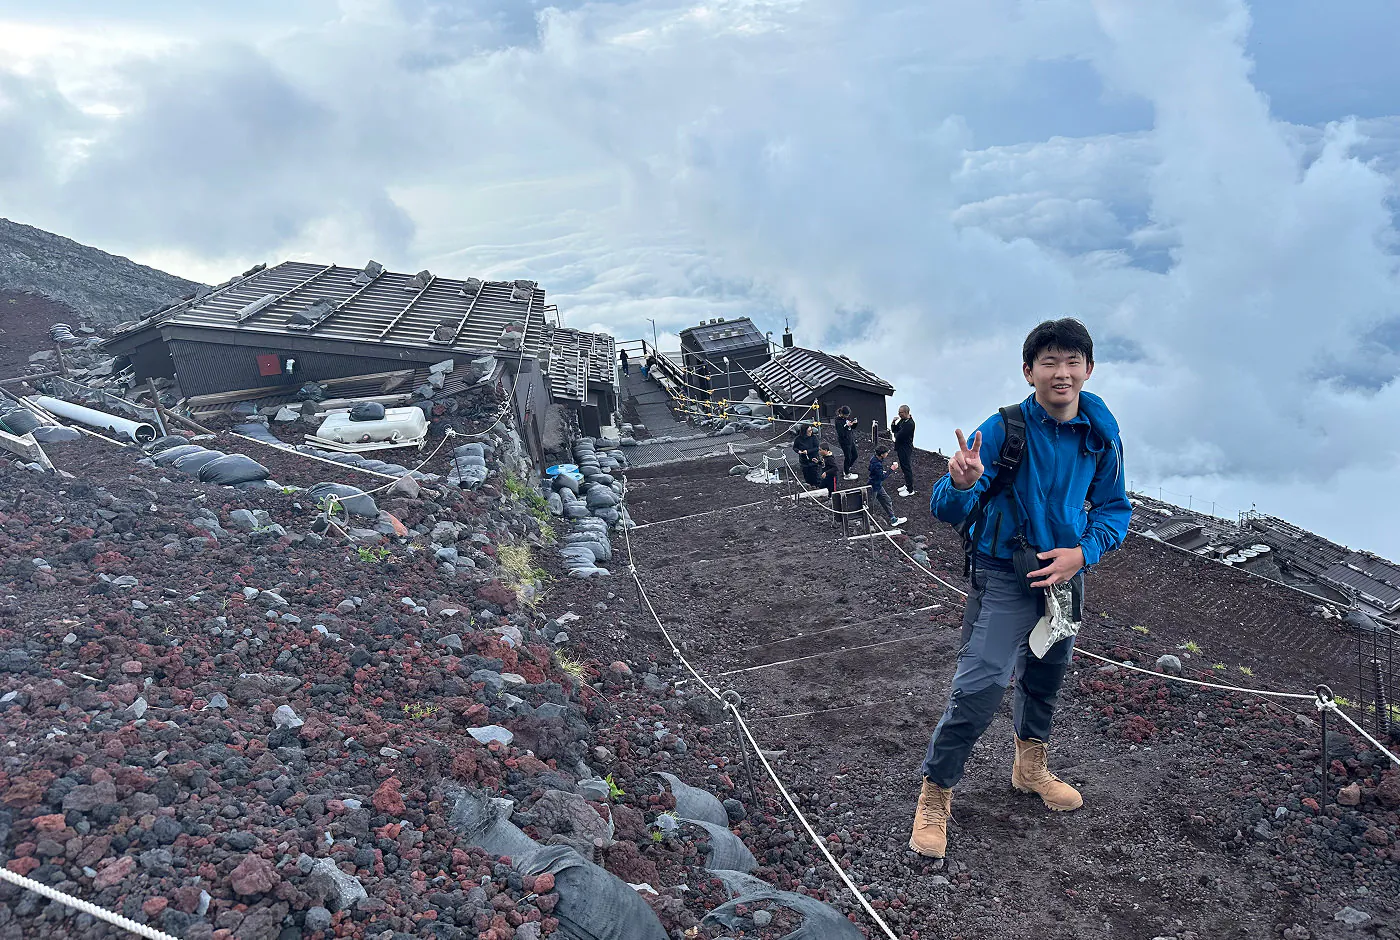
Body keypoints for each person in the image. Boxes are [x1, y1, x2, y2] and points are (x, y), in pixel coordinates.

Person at [908, 318, 1131, 860]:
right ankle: (935, 794)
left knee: (1046, 675)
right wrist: (959, 482)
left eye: (1072, 361)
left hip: (1065, 576)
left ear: (1089, 369)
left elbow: (1114, 509)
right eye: (1049, 362)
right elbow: (946, 507)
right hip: (1005, 573)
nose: (1062, 373)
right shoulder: (1005, 427)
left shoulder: (1100, 434)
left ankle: (1030, 769)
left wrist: (1083, 553)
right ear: (1029, 371)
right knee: (980, 685)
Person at [868, 444, 906, 527]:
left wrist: (880, 472)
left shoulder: (874, 459)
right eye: (886, 453)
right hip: (874, 487)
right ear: (882, 454)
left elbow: (870, 469)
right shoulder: (877, 464)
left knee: (886, 500)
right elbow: (882, 477)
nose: (887, 454)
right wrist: (891, 469)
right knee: (869, 504)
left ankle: (893, 519)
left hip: (877, 485)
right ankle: (867, 521)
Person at [891, 404, 916, 496]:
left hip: (905, 448)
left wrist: (896, 434)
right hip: (900, 447)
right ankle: (907, 484)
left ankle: (910, 490)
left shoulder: (909, 424)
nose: (899, 414)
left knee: (906, 467)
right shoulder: (903, 421)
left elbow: (898, 436)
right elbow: (894, 430)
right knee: (903, 467)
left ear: (906, 412)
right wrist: (893, 422)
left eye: (900, 412)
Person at [834, 405, 860, 481]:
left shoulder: (847, 418)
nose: (848, 416)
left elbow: (851, 428)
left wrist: (854, 424)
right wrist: (846, 426)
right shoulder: (838, 421)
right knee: (848, 456)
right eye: (846, 415)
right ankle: (847, 474)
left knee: (855, 455)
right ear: (842, 414)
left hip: (850, 439)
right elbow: (841, 433)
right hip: (844, 441)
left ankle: (847, 468)